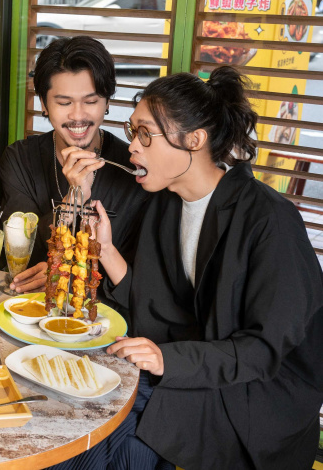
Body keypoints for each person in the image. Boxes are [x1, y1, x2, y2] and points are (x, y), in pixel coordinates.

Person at [83, 66, 323, 470]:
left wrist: (166, 361)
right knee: (90, 406)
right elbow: (156, 305)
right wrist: (105, 250)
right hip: (195, 365)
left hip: (254, 394)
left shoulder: (270, 219)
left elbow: (263, 351)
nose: (132, 147)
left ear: (195, 140)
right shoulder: (166, 204)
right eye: (131, 130)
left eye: (145, 134)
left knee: (120, 441)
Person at [0, 36, 148, 294]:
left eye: (90, 102)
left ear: (108, 102)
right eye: (64, 103)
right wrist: (73, 197)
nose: (78, 116)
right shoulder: (20, 159)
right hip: (29, 305)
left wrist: (62, 270)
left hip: (107, 316)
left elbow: (141, 274)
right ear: (44, 104)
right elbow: (21, 253)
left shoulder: (133, 167)